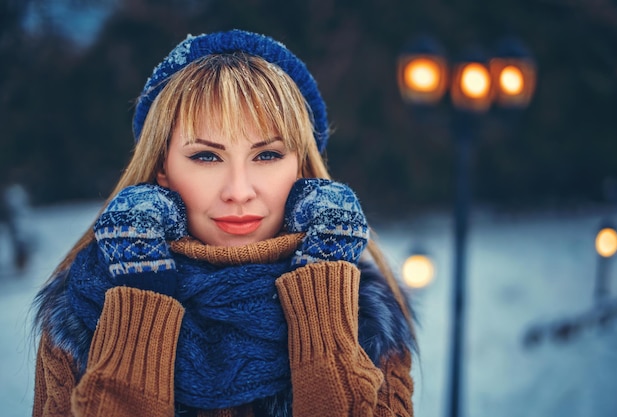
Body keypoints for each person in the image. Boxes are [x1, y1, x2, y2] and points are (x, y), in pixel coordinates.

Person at [32, 29, 417, 417]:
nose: (238, 191)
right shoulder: (84, 310)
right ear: (162, 167)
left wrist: (325, 295)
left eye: (266, 155)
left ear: (300, 168)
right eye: (205, 156)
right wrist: (139, 293)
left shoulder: (366, 316)